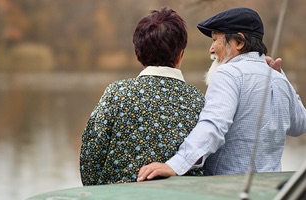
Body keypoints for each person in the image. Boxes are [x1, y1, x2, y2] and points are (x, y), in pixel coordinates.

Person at [137, 7, 306, 181]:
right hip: (271, 189)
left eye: (215, 39)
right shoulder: (278, 77)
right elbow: (300, 124)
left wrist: (174, 165)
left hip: (228, 189)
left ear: (238, 42)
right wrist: (283, 79)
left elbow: (213, 126)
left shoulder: (228, 73)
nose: (211, 49)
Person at [79, 7, 205, 186]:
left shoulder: (117, 93)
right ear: (180, 54)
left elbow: (91, 156)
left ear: (139, 55)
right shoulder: (197, 101)